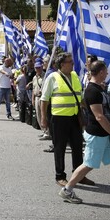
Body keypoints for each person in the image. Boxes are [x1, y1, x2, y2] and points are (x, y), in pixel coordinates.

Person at [59, 61, 110, 204]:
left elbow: (105, 112)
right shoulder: (92, 91)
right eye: (106, 71)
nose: (107, 74)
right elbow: (99, 116)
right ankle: (67, 190)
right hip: (97, 134)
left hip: (106, 134)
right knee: (89, 164)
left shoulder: (99, 88)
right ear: (102, 72)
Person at [40, 53, 95, 187]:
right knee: (60, 148)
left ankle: (79, 175)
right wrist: (43, 118)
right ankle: (60, 176)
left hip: (75, 117)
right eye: (70, 62)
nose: (73, 64)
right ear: (62, 64)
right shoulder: (52, 77)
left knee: (77, 147)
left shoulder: (75, 76)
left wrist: (90, 109)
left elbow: (80, 97)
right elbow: (44, 99)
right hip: (59, 119)